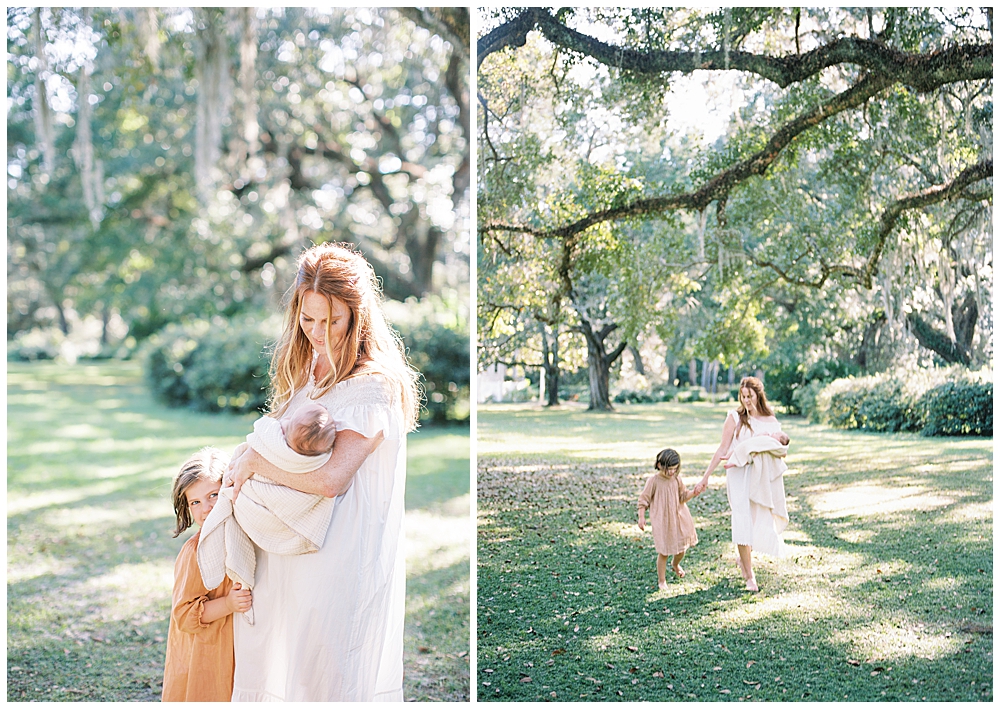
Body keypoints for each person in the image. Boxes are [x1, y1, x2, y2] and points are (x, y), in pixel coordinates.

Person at [224, 242, 420, 702]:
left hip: (339, 550)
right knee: (280, 662)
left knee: (326, 669)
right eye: (308, 319)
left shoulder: (373, 386)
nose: (317, 330)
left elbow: (333, 480)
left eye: (331, 320)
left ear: (357, 314)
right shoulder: (309, 366)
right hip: (287, 540)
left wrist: (256, 462)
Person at [162, 448, 254, 702]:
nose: (207, 508)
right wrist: (227, 603)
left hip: (241, 645)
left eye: (213, 495)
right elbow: (183, 615)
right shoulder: (195, 552)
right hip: (209, 650)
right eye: (196, 502)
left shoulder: (247, 534)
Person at [693, 376, 790, 592]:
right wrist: (706, 476)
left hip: (759, 477)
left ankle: (743, 559)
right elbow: (722, 448)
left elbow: (778, 448)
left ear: (758, 395)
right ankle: (749, 576)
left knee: (756, 521)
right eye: (743, 396)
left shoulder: (771, 420)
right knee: (742, 521)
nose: (746, 401)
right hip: (737, 475)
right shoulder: (734, 418)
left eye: (750, 396)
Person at [637, 448, 702, 589]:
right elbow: (644, 500)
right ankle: (662, 580)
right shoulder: (653, 481)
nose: (672, 472)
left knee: (681, 548)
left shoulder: (677, 479)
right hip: (662, 521)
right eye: (669, 469)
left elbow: (683, 496)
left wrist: (693, 493)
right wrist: (641, 517)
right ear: (660, 465)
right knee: (664, 552)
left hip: (678, 518)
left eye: (675, 469)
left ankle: (676, 564)